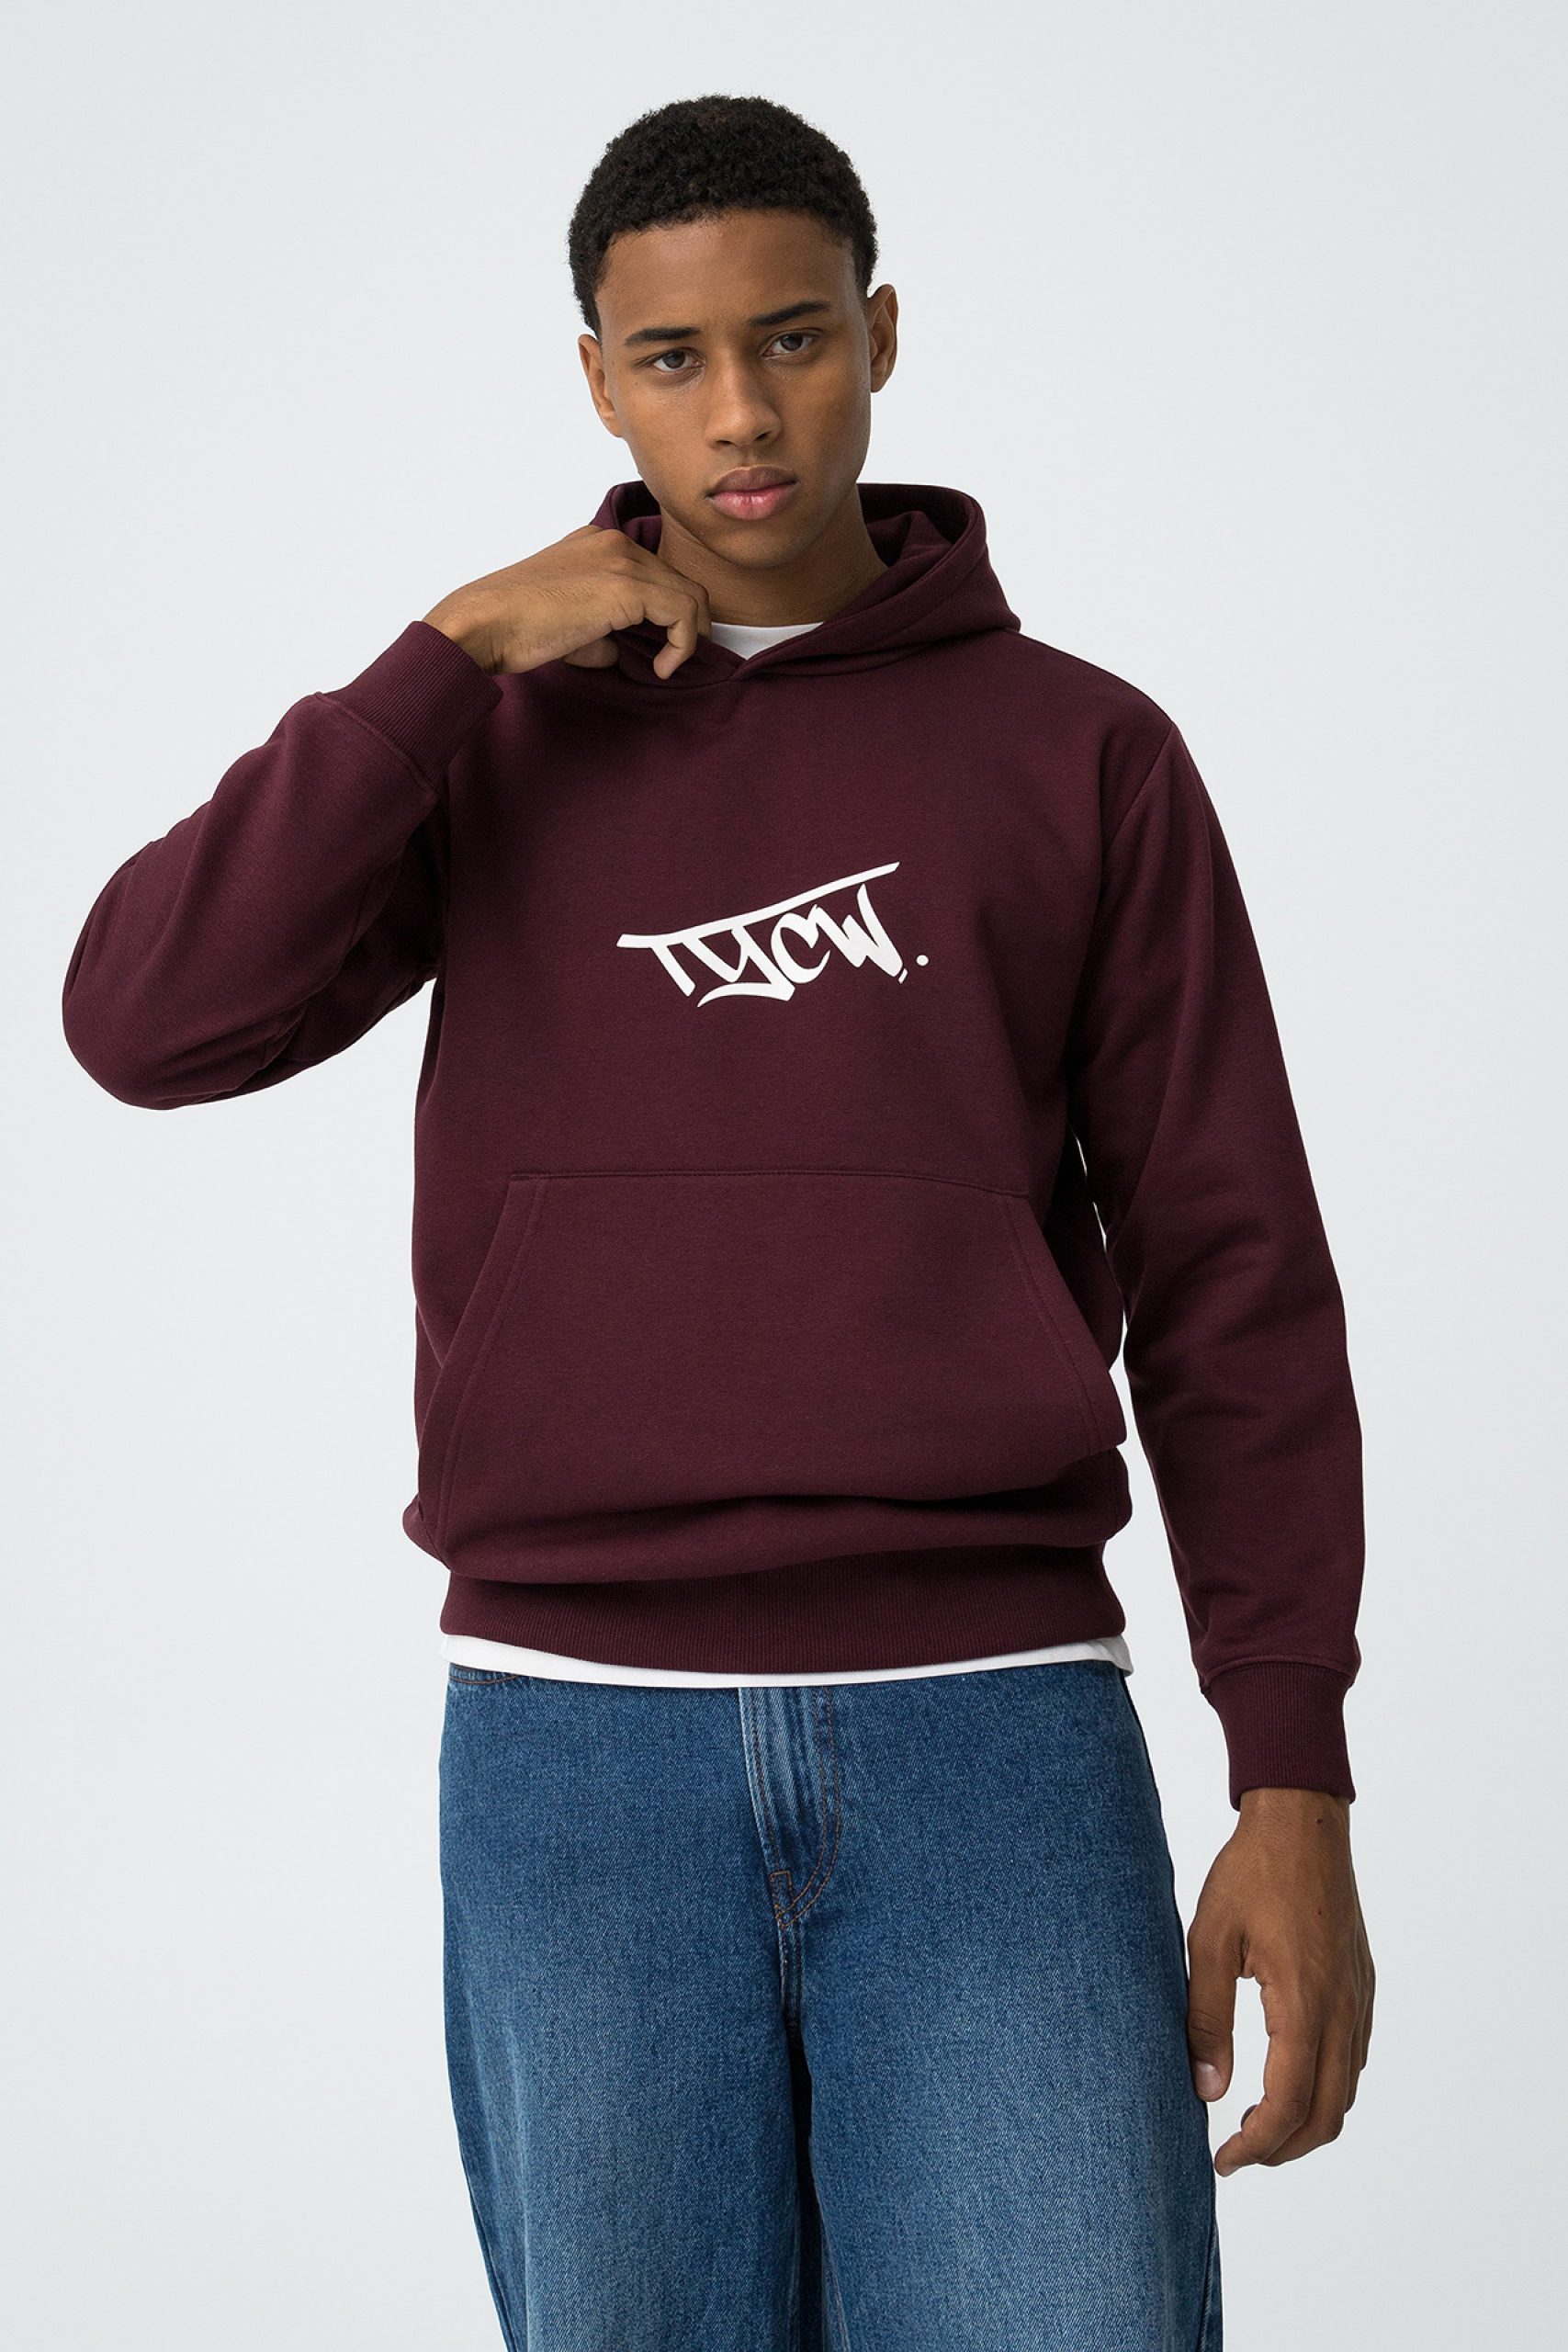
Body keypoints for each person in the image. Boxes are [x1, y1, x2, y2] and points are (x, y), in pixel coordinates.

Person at [61, 89, 1373, 2352]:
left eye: (792, 338)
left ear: (881, 334)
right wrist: (441, 656)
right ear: (597, 378)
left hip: (993, 1734)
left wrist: (1291, 1769)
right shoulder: (487, 743)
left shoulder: (1079, 752)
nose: (742, 413)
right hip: (579, 1746)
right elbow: (145, 1020)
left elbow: (1230, 1271)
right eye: (671, 358)